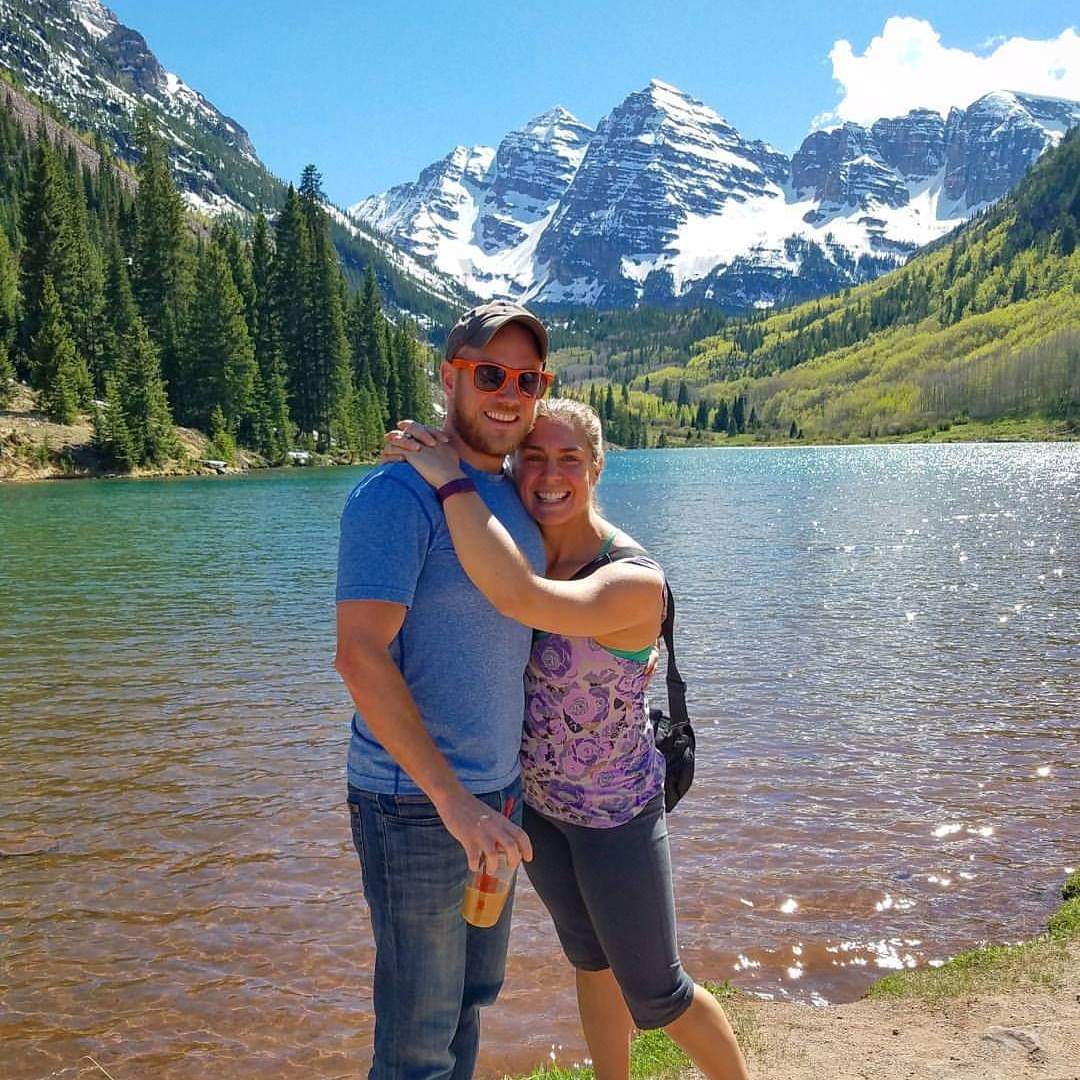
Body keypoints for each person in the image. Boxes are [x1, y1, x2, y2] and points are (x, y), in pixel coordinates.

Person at [383, 399, 750, 1080]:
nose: (550, 475)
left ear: (597, 468)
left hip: (616, 816)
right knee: (591, 961)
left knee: (658, 994)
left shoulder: (632, 581)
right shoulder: (522, 545)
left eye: (569, 459)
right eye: (535, 458)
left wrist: (450, 478)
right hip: (541, 814)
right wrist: (423, 453)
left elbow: (520, 599)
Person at [334, 300, 555, 1080]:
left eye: (527, 380)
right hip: (417, 806)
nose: (509, 395)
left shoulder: (511, 493)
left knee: (470, 1002)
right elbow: (359, 657)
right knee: (418, 1041)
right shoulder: (393, 497)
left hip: (497, 797)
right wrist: (452, 802)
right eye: (490, 374)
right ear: (448, 378)